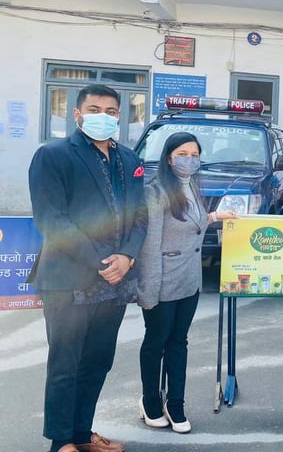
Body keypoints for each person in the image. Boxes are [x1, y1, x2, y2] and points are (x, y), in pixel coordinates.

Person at [28, 84, 148, 452]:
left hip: (115, 280)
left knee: (97, 362)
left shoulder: (128, 159)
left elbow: (140, 215)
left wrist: (127, 256)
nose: (103, 117)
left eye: (111, 111)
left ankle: (82, 434)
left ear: (119, 116)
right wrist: (100, 261)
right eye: (94, 110)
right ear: (78, 114)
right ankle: (61, 441)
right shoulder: (53, 155)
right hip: (69, 278)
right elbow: (51, 220)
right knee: (66, 363)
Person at [136, 132, 237, 433]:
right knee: (156, 342)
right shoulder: (155, 192)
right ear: (169, 158)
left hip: (189, 281)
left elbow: (193, 223)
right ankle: (150, 401)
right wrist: (148, 291)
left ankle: (176, 404)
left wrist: (215, 216)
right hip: (162, 281)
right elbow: (150, 245)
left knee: (179, 342)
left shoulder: (191, 185)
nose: (189, 160)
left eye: (195, 155)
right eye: (183, 154)